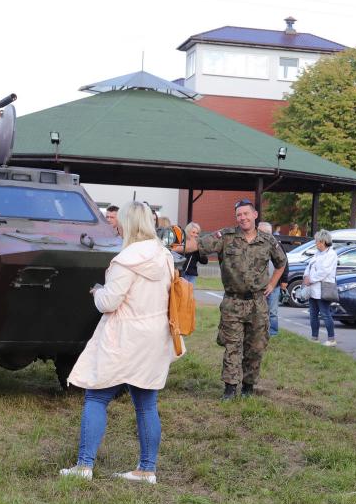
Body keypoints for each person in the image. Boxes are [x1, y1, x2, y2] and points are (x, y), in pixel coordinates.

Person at [60, 202, 180, 484]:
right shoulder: (164, 255)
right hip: (154, 336)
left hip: (123, 337)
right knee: (146, 404)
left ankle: (84, 466)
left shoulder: (125, 259)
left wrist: (97, 291)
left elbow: (109, 303)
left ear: (128, 224)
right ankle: (147, 469)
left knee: (96, 396)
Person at [184, 200, 287, 400]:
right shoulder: (226, 236)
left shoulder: (268, 240)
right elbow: (197, 245)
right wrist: (168, 245)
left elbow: (281, 263)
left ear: (255, 215)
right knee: (232, 346)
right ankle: (230, 388)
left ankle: (248, 386)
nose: (242, 218)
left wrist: (273, 284)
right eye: (239, 214)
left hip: (257, 303)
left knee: (255, 347)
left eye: (246, 213)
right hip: (233, 302)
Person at [304, 230, 339, 346]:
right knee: (313, 314)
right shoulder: (317, 253)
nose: (315, 243)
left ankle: (331, 339)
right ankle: (314, 337)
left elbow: (324, 271)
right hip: (313, 289)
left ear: (323, 242)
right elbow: (309, 266)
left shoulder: (331, 254)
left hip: (323, 289)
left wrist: (311, 279)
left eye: (317, 241)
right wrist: (306, 276)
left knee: (325, 314)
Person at [258, 222, 285, 336]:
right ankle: (260, 332)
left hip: (274, 285)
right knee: (259, 311)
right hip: (259, 285)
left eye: (260, 231)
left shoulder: (277, 246)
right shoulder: (255, 246)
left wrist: (284, 281)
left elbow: (284, 264)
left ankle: (273, 332)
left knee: (272, 311)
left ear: (268, 233)